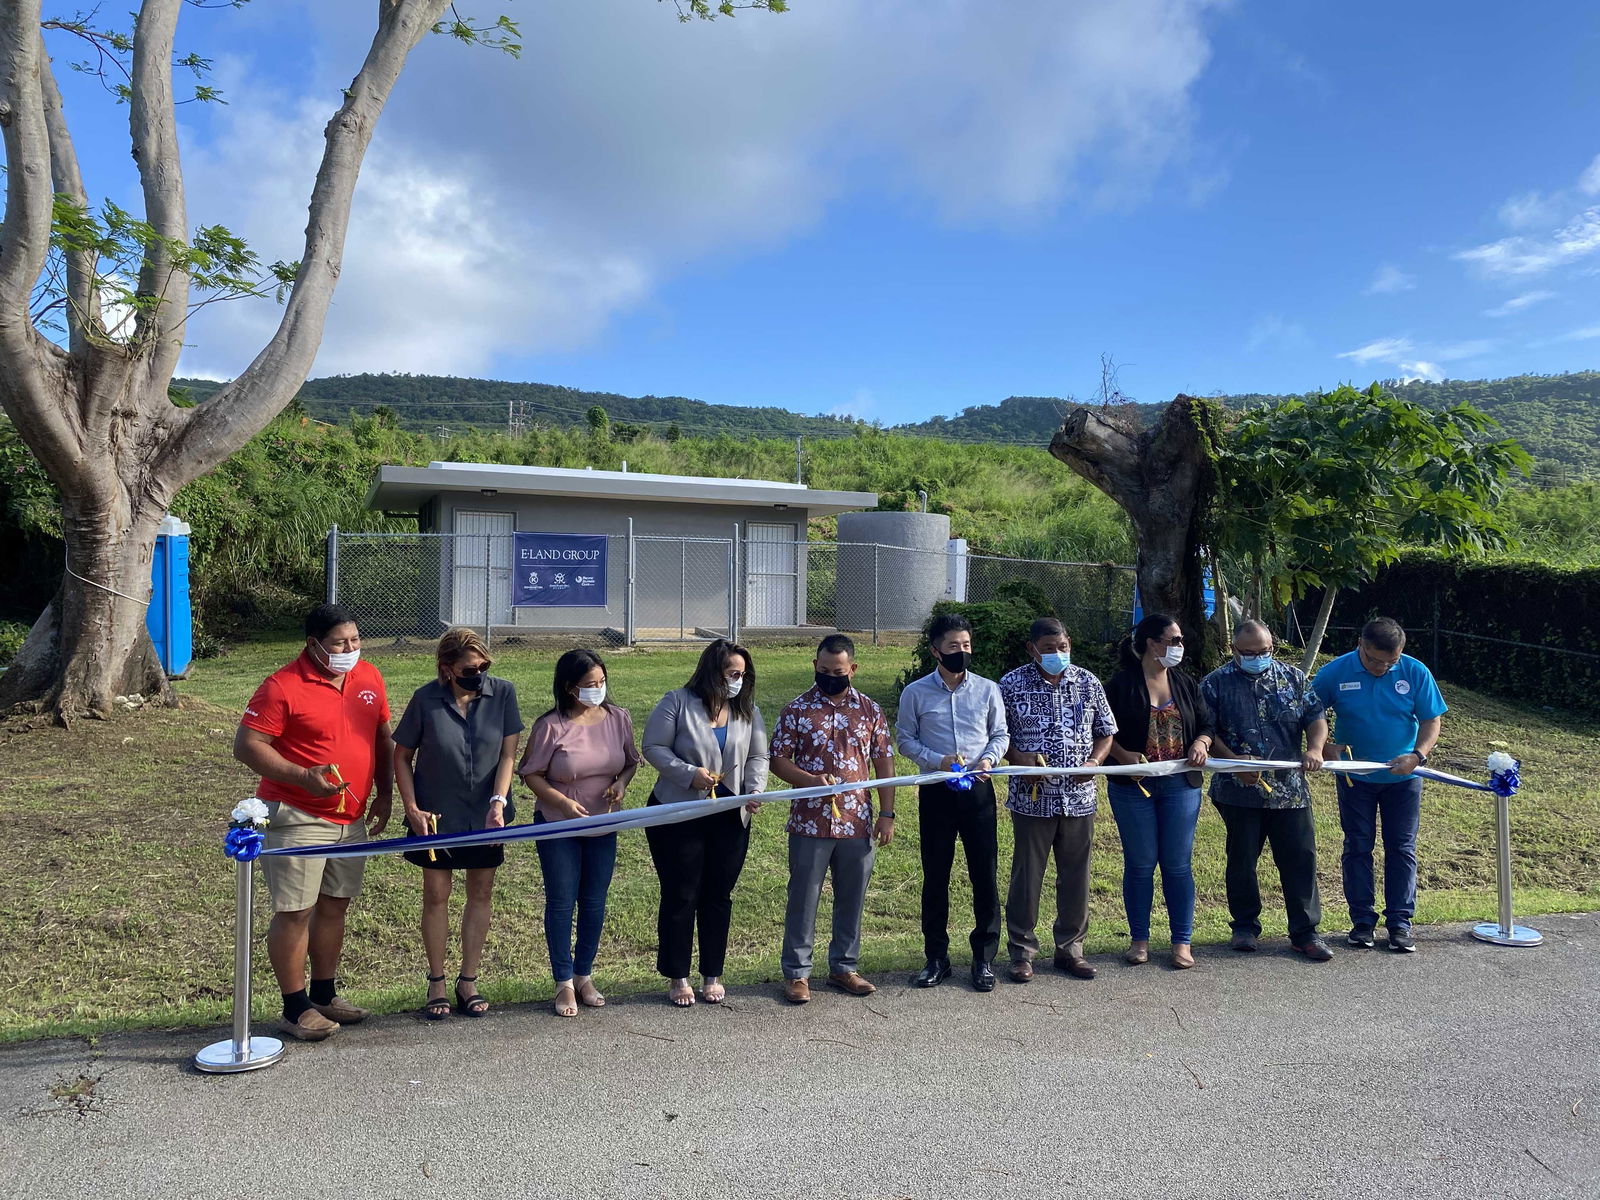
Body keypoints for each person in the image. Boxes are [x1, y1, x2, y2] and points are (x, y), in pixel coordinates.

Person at [233, 603, 393, 1041]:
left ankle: (324, 994)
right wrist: (302, 777)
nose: (350, 649)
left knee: (335, 906)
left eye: (356, 640)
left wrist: (385, 793)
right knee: (295, 912)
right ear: (313, 645)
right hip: (298, 815)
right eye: (340, 643)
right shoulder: (281, 687)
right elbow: (248, 746)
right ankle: (294, 1007)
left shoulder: (369, 677)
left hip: (351, 817)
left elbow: (381, 738)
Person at [392, 628, 523, 1021]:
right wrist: (412, 808)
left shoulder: (503, 693)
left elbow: (507, 756)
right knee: (436, 894)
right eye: (470, 667)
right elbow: (401, 757)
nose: (479, 672)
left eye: (484, 666)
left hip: (486, 815)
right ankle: (436, 981)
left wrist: (498, 803)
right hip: (436, 816)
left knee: (480, 892)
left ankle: (469, 981)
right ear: (446, 668)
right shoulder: (424, 699)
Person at [769, 634, 897, 1004]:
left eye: (838, 671)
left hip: (857, 820)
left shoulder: (870, 711)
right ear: (814, 666)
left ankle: (844, 966)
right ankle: (797, 973)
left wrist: (887, 814)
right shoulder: (796, 710)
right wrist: (809, 781)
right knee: (804, 896)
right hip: (810, 821)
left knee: (852, 896)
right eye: (823, 670)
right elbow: (778, 760)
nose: (830, 676)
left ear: (852, 669)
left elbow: (884, 762)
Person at [642, 639, 769, 1007]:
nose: (737, 681)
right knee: (682, 893)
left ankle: (712, 973)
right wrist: (689, 773)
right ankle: (677, 976)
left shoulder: (747, 711)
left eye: (742, 675)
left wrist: (754, 789)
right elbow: (653, 747)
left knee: (718, 895)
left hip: (731, 815)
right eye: (732, 674)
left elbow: (759, 755)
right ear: (711, 672)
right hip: (678, 812)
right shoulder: (676, 702)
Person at [1311, 617, 1447, 954]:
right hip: (1356, 778)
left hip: (1404, 779)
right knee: (1357, 846)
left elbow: (1431, 720)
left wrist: (1418, 755)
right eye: (1374, 660)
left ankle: (1400, 924)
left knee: (1401, 848)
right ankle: (1362, 922)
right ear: (1361, 645)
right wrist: (1323, 745)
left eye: (1391, 662)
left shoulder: (1415, 672)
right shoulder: (1335, 672)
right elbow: (1311, 711)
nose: (1382, 668)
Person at [1199, 620, 1333, 962]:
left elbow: (1316, 717)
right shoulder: (1214, 684)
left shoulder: (1294, 678)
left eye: (1265, 652)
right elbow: (1205, 731)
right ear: (1234, 650)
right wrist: (1233, 763)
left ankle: (1305, 932)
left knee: (1300, 860)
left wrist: (1315, 748)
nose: (1258, 658)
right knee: (1242, 860)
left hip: (1290, 792)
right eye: (1250, 653)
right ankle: (1244, 927)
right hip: (1237, 791)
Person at [519, 648, 641, 1017]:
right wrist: (562, 802)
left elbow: (631, 762)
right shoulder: (550, 726)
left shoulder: (619, 718)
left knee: (594, 902)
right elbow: (531, 774)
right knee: (561, 901)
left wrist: (620, 784)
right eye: (590, 684)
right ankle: (563, 982)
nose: (598, 689)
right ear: (571, 688)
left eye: (602, 682)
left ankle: (584, 974)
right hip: (560, 826)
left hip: (603, 824)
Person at [998, 617, 1116, 983]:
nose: (1057, 654)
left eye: (1062, 647)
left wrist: (1094, 763)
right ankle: (1022, 952)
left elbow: (1106, 732)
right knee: (1027, 876)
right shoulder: (1010, 685)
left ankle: (1071, 950)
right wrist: (1021, 760)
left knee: (1076, 876)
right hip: (1033, 798)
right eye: (1049, 649)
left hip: (1079, 797)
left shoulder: (1087, 681)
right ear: (1032, 649)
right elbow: (998, 738)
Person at [896, 612, 1010, 992]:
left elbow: (1000, 733)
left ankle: (984, 958)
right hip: (937, 790)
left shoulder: (987, 689)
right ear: (935, 651)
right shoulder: (915, 693)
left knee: (984, 873)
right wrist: (937, 761)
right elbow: (905, 739)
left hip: (978, 790)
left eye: (965, 645)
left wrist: (990, 759)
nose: (961, 652)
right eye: (952, 646)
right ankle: (936, 958)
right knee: (936, 874)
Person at [1103, 612, 1214, 969]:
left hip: (1181, 785)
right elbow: (1102, 729)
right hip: (1133, 788)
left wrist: (1201, 741)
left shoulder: (1185, 683)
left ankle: (1182, 942)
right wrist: (1122, 756)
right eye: (1175, 640)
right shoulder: (1120, 684)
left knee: (1178, 865)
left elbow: (1208, 722)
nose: (1180, 647)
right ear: (1153, 644)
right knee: (1140, 864)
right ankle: (1139, 941)